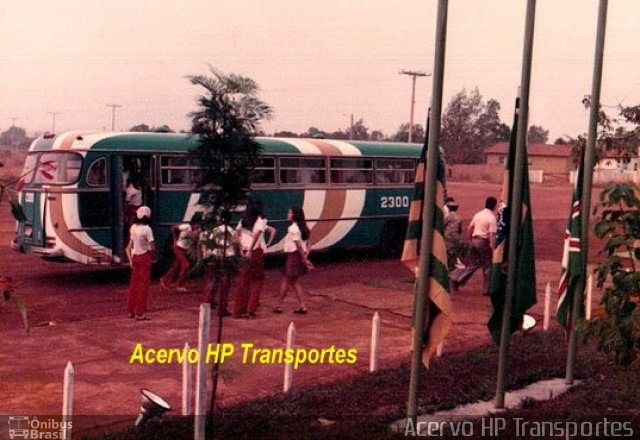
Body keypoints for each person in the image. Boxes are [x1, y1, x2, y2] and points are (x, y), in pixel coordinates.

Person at [233, 200, 276, 319]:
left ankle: (238, 310)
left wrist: (241, 249)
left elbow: (236, 234)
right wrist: (251, 250)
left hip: (244, 251)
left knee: (243, 281)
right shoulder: (262, 219)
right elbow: (257, 234)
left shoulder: (244, 219)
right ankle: (250, 310)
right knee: (257, 281)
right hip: (255, 252)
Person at [450, 196, 498, 296]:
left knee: (474, 263)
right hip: (483, 242)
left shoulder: (478, 215)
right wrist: (493, 248)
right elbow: (492, 235)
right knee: (487, 266)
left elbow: (469, 228)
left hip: (474, 240)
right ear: (494, 206)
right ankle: (487, 289)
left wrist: (470, 241)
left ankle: (458, 279)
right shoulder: (492, 218)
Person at [273, 206, 313, 315]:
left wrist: (304, 259)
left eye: (290, 213)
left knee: (287, 280)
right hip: (298, 256)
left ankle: (279, 305)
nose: (288, 214)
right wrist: (305, 256)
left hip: (293, 256)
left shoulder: (292, 228)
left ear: (295, 215)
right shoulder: (304, 227)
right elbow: (308, 244)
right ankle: (302, 305)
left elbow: (298, 245)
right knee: (294, 281)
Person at [200, 211, 239, 317]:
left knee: (212, 281)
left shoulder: (215, 230)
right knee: (225, 284)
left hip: (215, 257)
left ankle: (206, 303)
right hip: (227, 258)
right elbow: (235, 244)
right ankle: (222, 308)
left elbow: (210, 243)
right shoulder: (232, 231)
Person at [125, 206, 155, 321]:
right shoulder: (147, 229)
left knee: (134, 285)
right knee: (144, 286)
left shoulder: (133, 227)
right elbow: (152, 247)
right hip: (144, 257)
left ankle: (130, 311)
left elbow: (130, 245)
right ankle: (140, 313)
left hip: (135, 256)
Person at [161, 215, 201, 293]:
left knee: (176, 266)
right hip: (178, 248)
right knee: (186, 265)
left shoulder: (197, 231)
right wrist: (175, 240)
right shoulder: (186, 227)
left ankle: (165, 279)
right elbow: (173, 228)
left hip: (184, 250)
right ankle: (180, 285)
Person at [444, 197, 465, 271]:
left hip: (448, 236)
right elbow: (460, 230)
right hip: (455, 236)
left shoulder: (449, 216)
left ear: (449, 208)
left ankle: (448, 267)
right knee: (453, 251)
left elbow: (443, 225)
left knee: (447, 252)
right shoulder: (459, 218)